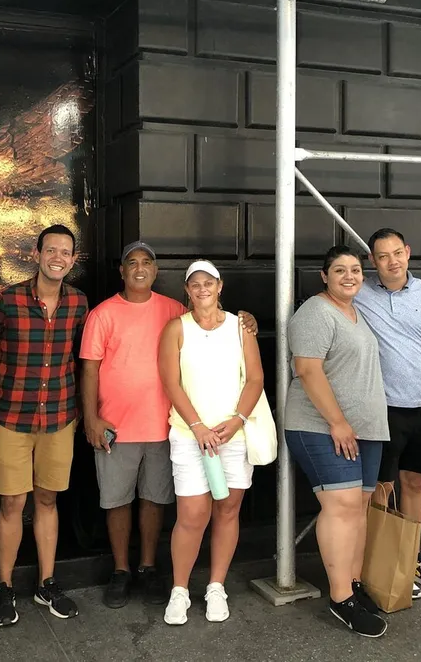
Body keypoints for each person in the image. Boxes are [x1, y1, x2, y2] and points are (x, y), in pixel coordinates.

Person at [81, 241, 259, 609]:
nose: (140, 268)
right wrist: (91, 418)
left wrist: (248, 322)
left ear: (157, 270)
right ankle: (120, 570)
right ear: (122, 270)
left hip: (162, 425)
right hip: (120, 425)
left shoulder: (174, 311)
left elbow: (216, 334)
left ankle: (147, 567)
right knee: (117, 501)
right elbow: (89, 369)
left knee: (154, 500)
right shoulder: (102, 314)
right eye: (133, 262)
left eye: (147, 262)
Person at [0, 224, 89, 627]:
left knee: (48, 500)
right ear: (36, 254)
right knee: (11, 503)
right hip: (11, 419)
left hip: (58, 417)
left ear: (72, 260)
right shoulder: (8, 300)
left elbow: (83, 355)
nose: (58, 257)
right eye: (50, 250)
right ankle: (4, 586)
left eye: (65, 252)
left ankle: (46, 583)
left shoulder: (78, 303)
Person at [285, 246, 389, 638]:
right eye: (340, 270)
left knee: (359, 507)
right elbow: (308, 370)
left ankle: (354, 583)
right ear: (324, 276)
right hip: (321, 426)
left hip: (365, 428)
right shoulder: (316, 311)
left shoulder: (357, 313)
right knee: (341, 505)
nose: (350, 275)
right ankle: (340, 597)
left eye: (356, 269)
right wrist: (338, 422)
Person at [158, 260, 263, 626]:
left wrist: (235, 422)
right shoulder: (176, 329)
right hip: (190, 436)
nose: (202, 289)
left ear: (220, 286)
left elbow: (254, 380)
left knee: (228, 509)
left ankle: (216, 586)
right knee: (192, 515)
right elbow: (172, 383)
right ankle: (180, 590)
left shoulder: (240, 327)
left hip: (231, 434)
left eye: (208, 282)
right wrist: (199, 426)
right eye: (194, 284)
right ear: (187, 290)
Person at [354, 228, 421, 600]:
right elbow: (323, 305)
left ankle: (412, 556)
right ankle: (383, 560)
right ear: (372, 261)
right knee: (382, 487)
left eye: (398, 252)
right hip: (381, 408)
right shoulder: (359, 291)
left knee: (414, 485)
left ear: (408, 252)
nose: (392, 261)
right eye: (383, 256)